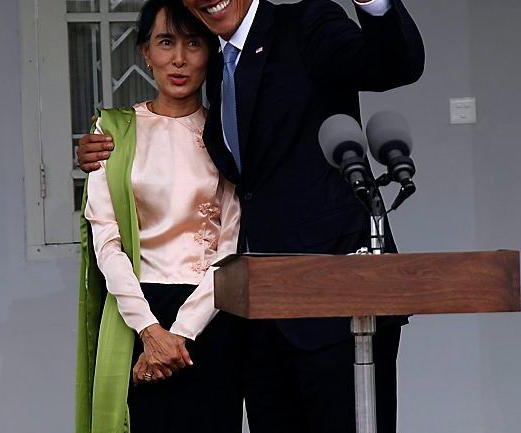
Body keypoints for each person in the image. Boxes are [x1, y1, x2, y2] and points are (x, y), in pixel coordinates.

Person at [78, 0, 425, 431]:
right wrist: (105, 150)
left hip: (336, 304)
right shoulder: (219, 66)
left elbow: (393, 64)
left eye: (189, 44)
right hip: (257, 319)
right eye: (167, 43)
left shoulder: (306, 24)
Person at [74, 1, 244, 432]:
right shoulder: (112, 130)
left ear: (212, 51)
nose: (180, 59)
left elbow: (229, 246)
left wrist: (180, 333)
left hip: (209, 320)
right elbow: (106, 241)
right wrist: (150, 331)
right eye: (166, 42)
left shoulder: (227, 137)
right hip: (134, 313)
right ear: (145, 52)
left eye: (194, 43)